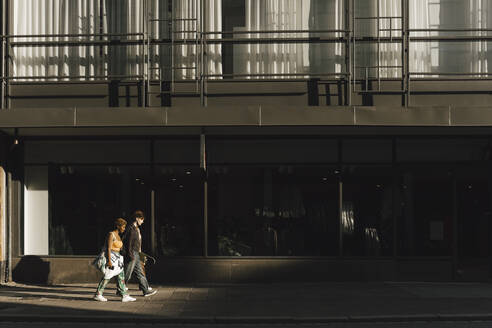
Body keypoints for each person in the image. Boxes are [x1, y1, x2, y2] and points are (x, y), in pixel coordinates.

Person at [93, 218, 136, 302]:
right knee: (107, 276)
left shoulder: (119, 235)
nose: (124, 228)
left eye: (124, 227)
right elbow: (108, 248)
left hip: (118, 259)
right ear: (118, 226)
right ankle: (98, 294)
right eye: (123, 227)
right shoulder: (111, 234)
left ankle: (124, 295)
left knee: (121, 276)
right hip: (111, 258)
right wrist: (109, 261)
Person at [122, 210, 157, 297]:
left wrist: (140, 254)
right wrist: (130, 255)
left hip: (136, 253)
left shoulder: (135, 228)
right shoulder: (130, 228)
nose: (142, 221)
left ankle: (145, 290)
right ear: (137, 218)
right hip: (132, 254)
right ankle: (120, 289)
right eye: (142, 219)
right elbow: (128, 243)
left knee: (140, 272)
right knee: (127, 273)